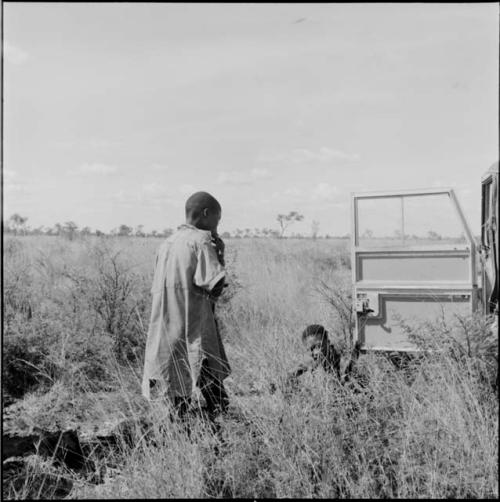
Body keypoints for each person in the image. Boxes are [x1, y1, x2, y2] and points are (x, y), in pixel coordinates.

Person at [142, 191, 231, 420]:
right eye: (217, 219)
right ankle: (216, 431)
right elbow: (215, 284)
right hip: (194, 327)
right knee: (213, 390)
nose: (216, 225)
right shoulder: (201, 241)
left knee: (176, 387)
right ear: (206, 214)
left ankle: (179, 433)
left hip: (166, 326)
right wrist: (219, 252)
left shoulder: (167, 243)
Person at [272, 324, 362, 394]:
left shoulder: (342, 360)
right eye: (311, 349)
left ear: (328, 342)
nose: (315, 352)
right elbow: (290, 374)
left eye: (318, 346)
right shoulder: (312, 359)